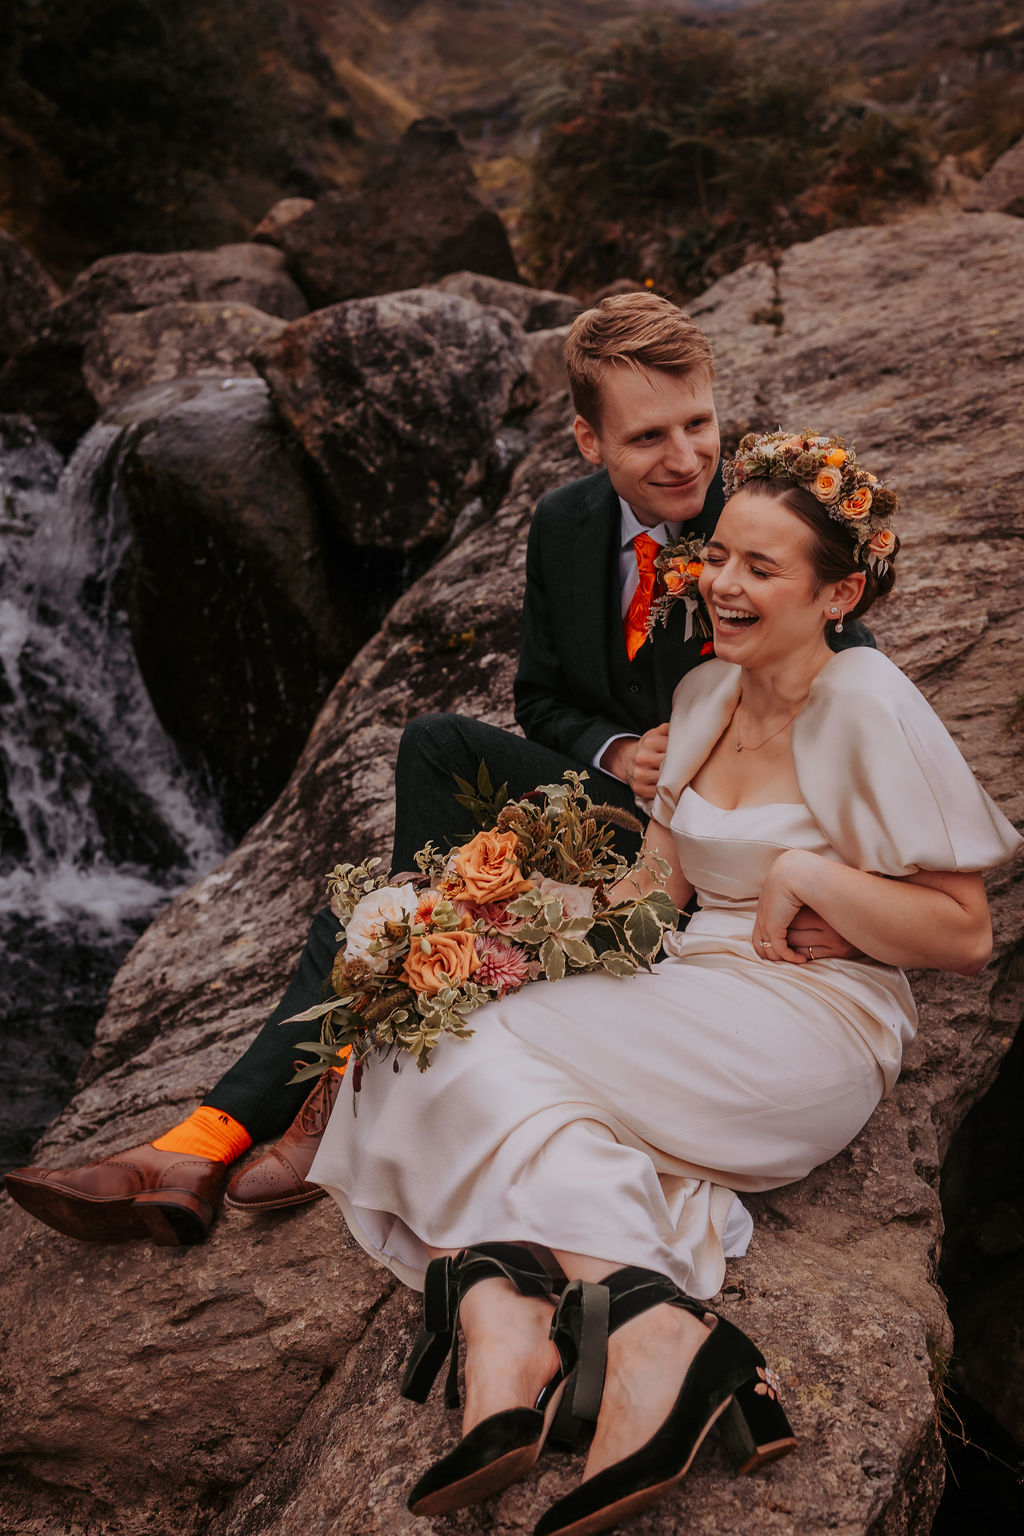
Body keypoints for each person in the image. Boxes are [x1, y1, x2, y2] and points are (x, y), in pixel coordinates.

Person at [4, 297, 869, 1246]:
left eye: (699, 425)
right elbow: (541, 701)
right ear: (588, 440)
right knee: (435, 746)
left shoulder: (763, 530)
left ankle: (220, 1138)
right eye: (648, 435)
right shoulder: (566, 524)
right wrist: (615, 749)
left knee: (367, 919)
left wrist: (820, 868)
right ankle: (294, 1072)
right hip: (613, 796)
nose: (685, 459)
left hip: (701, 856)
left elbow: (845, 690)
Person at [306, 429, 1021, 1536]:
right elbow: (649, 898)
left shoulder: (869, 702)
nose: (721, 584)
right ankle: (577, 1323)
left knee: (448, 1044)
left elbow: (964, 932)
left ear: (837, 593)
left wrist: (803, 871)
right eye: (717, 556)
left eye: (759, 567)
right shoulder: (699, 697)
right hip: (688, 986)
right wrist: (488, 926)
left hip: (806, 1022)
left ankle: (541, 1323)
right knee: (414, 986)